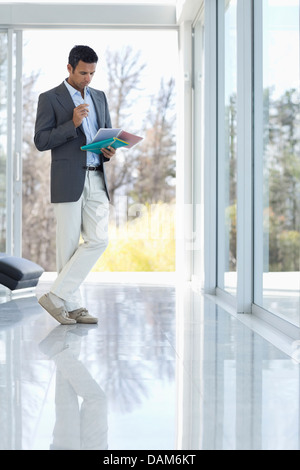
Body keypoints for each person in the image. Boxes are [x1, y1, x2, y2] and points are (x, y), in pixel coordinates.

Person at [34, 45, 116, 325]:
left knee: (99, 239)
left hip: (96, 174)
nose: (88, 79)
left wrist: (109, 149)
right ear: (69, 68)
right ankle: (73, 306)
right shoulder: (50, 98)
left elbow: (104, 132)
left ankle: (56, 296)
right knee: (67, 246)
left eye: (92, 73)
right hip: (68, 177)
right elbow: (41, 141)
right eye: (83, 72)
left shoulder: (100, 97)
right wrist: (72, 123)